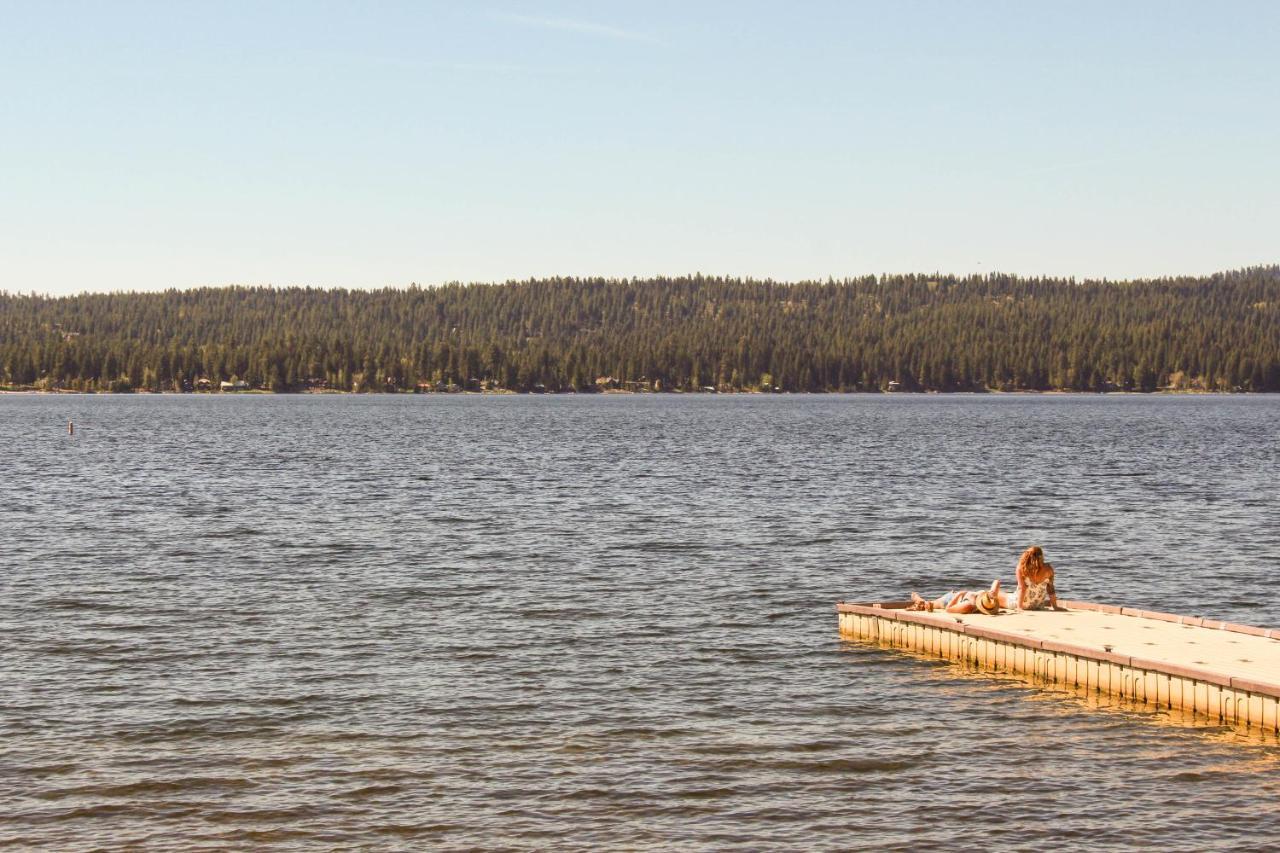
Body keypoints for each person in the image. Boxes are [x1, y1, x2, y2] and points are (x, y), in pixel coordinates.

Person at [908, 580, 1003, 614]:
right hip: (958, 596)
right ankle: (920, 601)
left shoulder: (969, 605)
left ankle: (920, 601)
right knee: (930, 604)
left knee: (931, 604)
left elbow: (949, 609)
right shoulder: (989, 601)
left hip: (952, 599)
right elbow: (997, 581)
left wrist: (959, 594)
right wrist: (992, 594)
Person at [1015, 545, 1059, 610]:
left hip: (1022, 604)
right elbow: (1051, 589)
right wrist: (1055, 606)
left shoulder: (1022, 568)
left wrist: (1019, 607)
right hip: (1038, 605)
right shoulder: (1049, 569)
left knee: (1000, 596)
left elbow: (1022, 588)